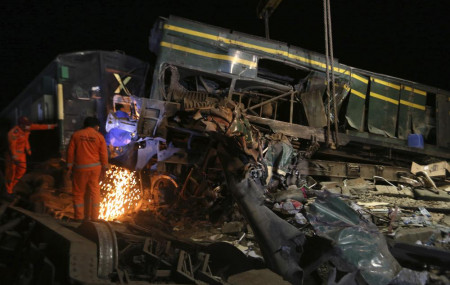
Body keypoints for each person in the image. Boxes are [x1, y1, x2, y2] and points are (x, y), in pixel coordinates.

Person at [66, 117, 108, 222]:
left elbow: (70, 153)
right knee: (95, 192)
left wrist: (69, 167)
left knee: (79, 193)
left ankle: (79, 218)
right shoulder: (99, 137)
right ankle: (94, 217)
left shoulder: (76, 135)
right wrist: (105, 168)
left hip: (80, 169)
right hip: (95, 169)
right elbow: (103, 154)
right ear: (96, 126)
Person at [5, 116, 57, 194]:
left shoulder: (27, 128)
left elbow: (40, 127)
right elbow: (12, 146)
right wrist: (14, 157)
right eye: (26, 125)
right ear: (21, 125)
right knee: (11, 174)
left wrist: (53, 126)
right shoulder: (13, 133)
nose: (29, 127)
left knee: (22, 171)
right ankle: (8, 190)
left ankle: (13, 187)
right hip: (12, 156)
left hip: (22, 154)